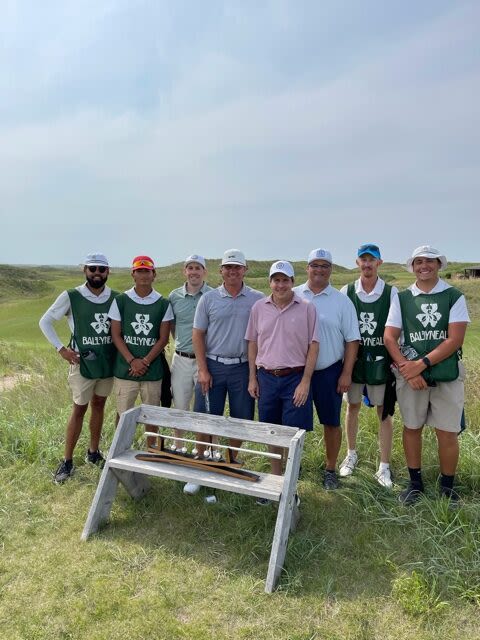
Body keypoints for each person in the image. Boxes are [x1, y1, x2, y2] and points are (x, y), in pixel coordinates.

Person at [384, 245, 470, 505]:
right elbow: (390, 337)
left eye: (429, 261)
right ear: (412, 266)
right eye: (419, 261)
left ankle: (447, 487)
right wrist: (406, 369)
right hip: (411, 375)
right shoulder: (402, 298)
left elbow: (454, 339)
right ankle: (415, 483)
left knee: (447, 432)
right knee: (412, 427)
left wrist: (420, 364)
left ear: (439, 265)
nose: (424, 266)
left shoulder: (453, 296)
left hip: (445, 374)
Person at [186, 249, 264, 496]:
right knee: (206, 417)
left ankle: (229, 463)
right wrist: (202, 369)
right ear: (220, 271)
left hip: (243, 366)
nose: (232, 271)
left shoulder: (257, 299)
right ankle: (202, 463)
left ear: (245, 270)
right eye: (227, 267)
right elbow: (198, 334)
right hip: (213, 366)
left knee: (241, 419)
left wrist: (254, 373)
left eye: (237, 267)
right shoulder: (208, 299)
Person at [39, 253, 118, 483]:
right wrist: (60, 349)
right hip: (82, 361)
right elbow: (45, 321)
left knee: (100, 404)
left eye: (101, 269)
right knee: (79, 408)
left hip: (106, 361)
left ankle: (93, 453)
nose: (97, 273)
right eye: (92, 269)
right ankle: (67, 461)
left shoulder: (115, 297)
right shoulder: (72, 296)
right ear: (85, 270)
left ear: (108, 272)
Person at [294, 248, 360, 490]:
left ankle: (330, 469)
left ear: (331, 269)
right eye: (315, 265)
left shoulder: (341, 301)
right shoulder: (293, 295)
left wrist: (346, 373)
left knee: (331, 422)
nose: (319, 270)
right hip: (297, 372)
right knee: (295, 422)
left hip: (330, 370)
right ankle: (294, 466)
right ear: (307, 267)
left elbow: (352, 340)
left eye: (324, 266)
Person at [246, 261, 319, 478]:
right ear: (270, 283)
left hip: (295, 378)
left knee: (292, 434)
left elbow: (313, 345)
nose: (280, 285)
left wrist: (305, 382)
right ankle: (276, 477)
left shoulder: (306, 307)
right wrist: (253, 378)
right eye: (276, 280)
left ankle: (290, 482)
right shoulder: (259, 308)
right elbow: (252, 343)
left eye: (285, 280)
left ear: (292, 282)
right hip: (267, 377)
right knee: (272, 432)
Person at [339, 244, 398, 488]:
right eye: (363, 260)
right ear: (357, 263)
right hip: (354, 361)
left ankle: (384, 466)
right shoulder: (347, 291)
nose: (367, 264)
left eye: (371, 260)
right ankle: (351, 453)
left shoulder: (391, 293)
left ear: (379, 263)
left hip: (381, 361)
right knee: (352, 407)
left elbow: (396, 329)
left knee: (383, 412)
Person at [108, 256, 173, 442]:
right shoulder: (121, 300)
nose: (143, 275)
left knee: (151, 415)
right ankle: (120, 451)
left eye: (147, 271)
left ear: (154, 274)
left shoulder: (163, 303)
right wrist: (132, 361)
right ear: (133, 274)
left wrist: (144, 362)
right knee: (123, 414)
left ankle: (152, 451)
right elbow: (116, 334)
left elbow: (163, 338)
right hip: (125, 369)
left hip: (152, 370)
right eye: (139, 271)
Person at [168, 255, 212, 413]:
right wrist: (183, 344)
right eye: (190, 268)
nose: (194, 272)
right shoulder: (174, 296)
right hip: (181, 360)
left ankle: (208, 439)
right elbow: (172, 325)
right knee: (179, 409)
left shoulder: (212, 296)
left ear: (204, 272)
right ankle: (178, 439)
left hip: (207, 360)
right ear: (184, 271)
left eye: (198, 268)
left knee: (207, 410)